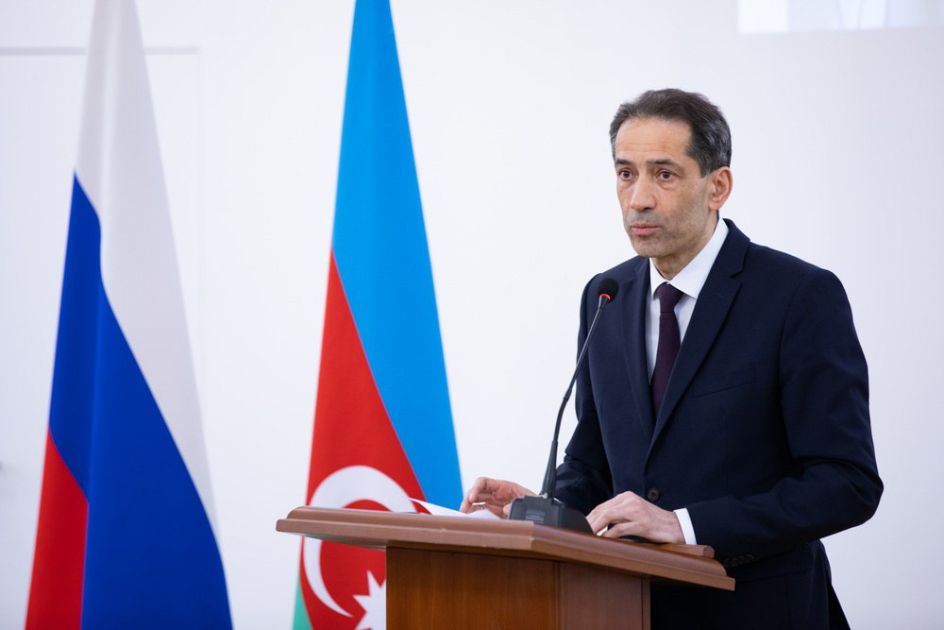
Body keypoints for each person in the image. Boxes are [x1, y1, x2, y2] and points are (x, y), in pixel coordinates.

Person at [460, 89, 882, 629]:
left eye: (663, 174)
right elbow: (593, 463)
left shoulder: (797, 297)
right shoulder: (605, 296)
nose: (638, 198)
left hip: (756, 611)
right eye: (625, 173)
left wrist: (685, 525)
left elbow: (846, 483)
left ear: (717, 186)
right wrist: (541, 511)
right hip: (624, 608)